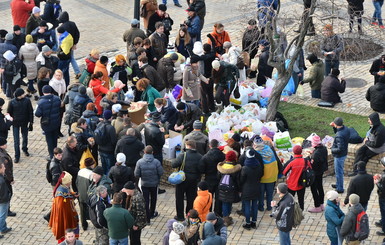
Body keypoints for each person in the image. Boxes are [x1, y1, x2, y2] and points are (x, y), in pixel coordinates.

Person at [171, 140, 202, 221]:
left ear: (187, 146)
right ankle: (189, 215)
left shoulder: (183, 155)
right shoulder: (200, 157)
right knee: (191, 199)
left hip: (182, 180)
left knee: (179, 198)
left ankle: (180, 216)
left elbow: (173, 164)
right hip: (194, 181)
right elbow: (202, 169)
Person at [134, 145, 164, 223]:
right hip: (154, 184)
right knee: (154, 199)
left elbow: (136, 174)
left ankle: (147, 218)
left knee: (145, 200)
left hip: (144, 184)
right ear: (152, 152)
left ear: (144, 152)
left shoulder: (139, 162)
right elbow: (161, 172)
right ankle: (152, 213)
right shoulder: (156, 162)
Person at [49, 171, 79, 243]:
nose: (71, 181)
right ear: (66, 182)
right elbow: (62, 210)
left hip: (71, 215)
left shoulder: (65, 187)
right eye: (70, 180)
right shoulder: (60, 196)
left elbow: (68, 193)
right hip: (66, 218)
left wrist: (73, 195)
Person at [199, 140, 225, 216]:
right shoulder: (223, 156)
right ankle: (218, 213)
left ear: (210, 146)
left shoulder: (205, 157)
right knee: (219, 198)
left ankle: (208, 213)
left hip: (209, 179)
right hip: (220, 179)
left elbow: (201, 169)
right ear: (218, 146)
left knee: (208, 197)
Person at [35, 85, 62, 159]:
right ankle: (56, 153)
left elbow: (37, 114)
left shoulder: (41, 102)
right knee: (55, 138)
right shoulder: (57, 99)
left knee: (49, 140)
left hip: (47, 124)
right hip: (56, 122)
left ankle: (51, 155)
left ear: (43, 92)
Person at [7, 88, 33, 163]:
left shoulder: (27, 100)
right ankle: (17, 155)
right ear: (19, 95)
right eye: (23, 93)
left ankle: (24, 149)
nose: (24, 94)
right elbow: (9, 113)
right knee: (16, 140)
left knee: (25, 137)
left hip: (24, 122)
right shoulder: (12, 102)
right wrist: (9, 122)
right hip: (15, 123)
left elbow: (30, 111)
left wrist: (31, 122)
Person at [240, 148, 263, 229]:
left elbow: (242, 179)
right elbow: (261, 175)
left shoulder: (245, 168)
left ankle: (247, 223)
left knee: (247, 206)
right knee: (254, 205)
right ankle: (254, 222)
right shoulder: (259, 165)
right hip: (256, 187)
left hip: (247, 189)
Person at [217, 150, 241, 227]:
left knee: (224, 202)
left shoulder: (221, 167)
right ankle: (226, 218)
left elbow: (218, 177)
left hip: (222, 187)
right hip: (232, 188)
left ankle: (226, 217)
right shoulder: (236, 168)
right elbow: (238, 180)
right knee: (229, 201)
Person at [282, 145, 309, 211]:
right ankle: (300, 212)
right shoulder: (306, 161)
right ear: (301, 151)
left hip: (291, 184)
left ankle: (289, 213)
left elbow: (284, 172)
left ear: (293, 152)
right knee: (301, 200)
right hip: (302, 183)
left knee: (289, 200)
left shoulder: (291, 162)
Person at [57, 11, 81, 79]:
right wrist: (75, 43)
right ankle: (77, 72)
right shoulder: (73, 24)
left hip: (65, 46)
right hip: (72, 44)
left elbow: (61, 40)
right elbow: (77, 34)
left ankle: (75, 72)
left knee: (68, 59)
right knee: (72, 58)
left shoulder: (62, 27)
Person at [308, 135, 328, 213]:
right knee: (320, 187)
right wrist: (313, 152)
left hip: (315, 173)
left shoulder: (316, 155)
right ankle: (322, 204)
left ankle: (317, 206)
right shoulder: (324, 148)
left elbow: (312, 164)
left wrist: (310, 158)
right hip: (321, 171)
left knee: (314, 189)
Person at [330, 117, 350, 193]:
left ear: (335, 124)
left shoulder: (339, 135)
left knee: (339, 172)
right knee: (338, 171)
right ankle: (338, 184)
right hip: (344, 153)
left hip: (339, 156)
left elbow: (339, 148)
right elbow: (338, 133)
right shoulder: (346, 129)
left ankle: (340, 188)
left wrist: (331, 149)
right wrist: (334, 127)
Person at [76, 157, 95, 231]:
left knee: (82, 210)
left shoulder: (80, 171)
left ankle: (84, 225)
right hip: (88, 196)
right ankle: (94, 222)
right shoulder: (91, 174)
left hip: (81, 194)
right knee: (92, 210)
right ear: (91, 165)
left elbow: (77, 182)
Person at [97, 110, 118, 175]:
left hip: (101, 149)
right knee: (110, 168)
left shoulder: (99, 124)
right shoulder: (111, 128)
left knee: (104, 166)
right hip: (109, 151)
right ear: (111, 117)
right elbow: (114, 141)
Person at [18, 34, 39, 99]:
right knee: (31, 80)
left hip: (25, 65)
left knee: (28, 80)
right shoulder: (36, 48)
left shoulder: (22, 48)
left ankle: (34, 93)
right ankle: (30, 92)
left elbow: (20, 56)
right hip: (33, 64)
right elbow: (38, 56)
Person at [0, 137, 16, 218]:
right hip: (5, 179)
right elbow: (7, 170)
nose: (6, 144)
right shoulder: (2, 156)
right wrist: (11, 179)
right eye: (5, 143)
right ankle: (7, 210)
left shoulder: (2, 153)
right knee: (8, 193)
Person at [374, 158, 385, 236]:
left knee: (384, 212)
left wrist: (377, 182)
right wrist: (381, 176)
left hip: (383, 197)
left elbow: (383, 188)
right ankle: (382, 222)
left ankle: (384, 230)